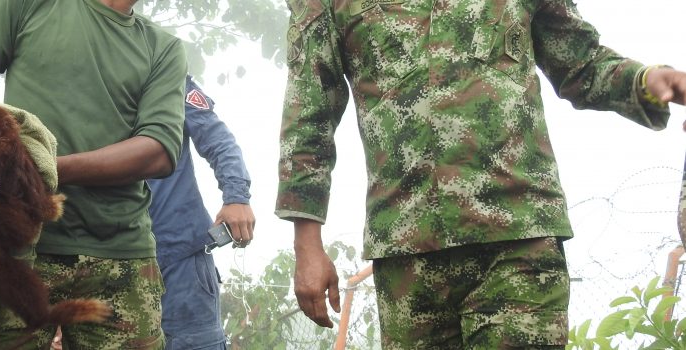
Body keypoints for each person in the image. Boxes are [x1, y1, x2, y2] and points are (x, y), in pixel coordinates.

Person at [277, 1, 686, 348]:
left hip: (518, 238)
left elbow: (581, 63)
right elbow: (309, 114)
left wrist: (646, 81)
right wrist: (306, 244)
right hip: (408, 259)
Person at [0, 0, 187, 348]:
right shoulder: (32, 5)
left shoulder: (163, 48)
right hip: (17, 251)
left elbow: (157, 150)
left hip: (121, 255)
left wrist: (37, 170)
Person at [147, 75, 255, 349]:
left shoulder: (161, 67)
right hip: (110, 256)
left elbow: (217, 139)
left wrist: (236, 197)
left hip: (180, 256)